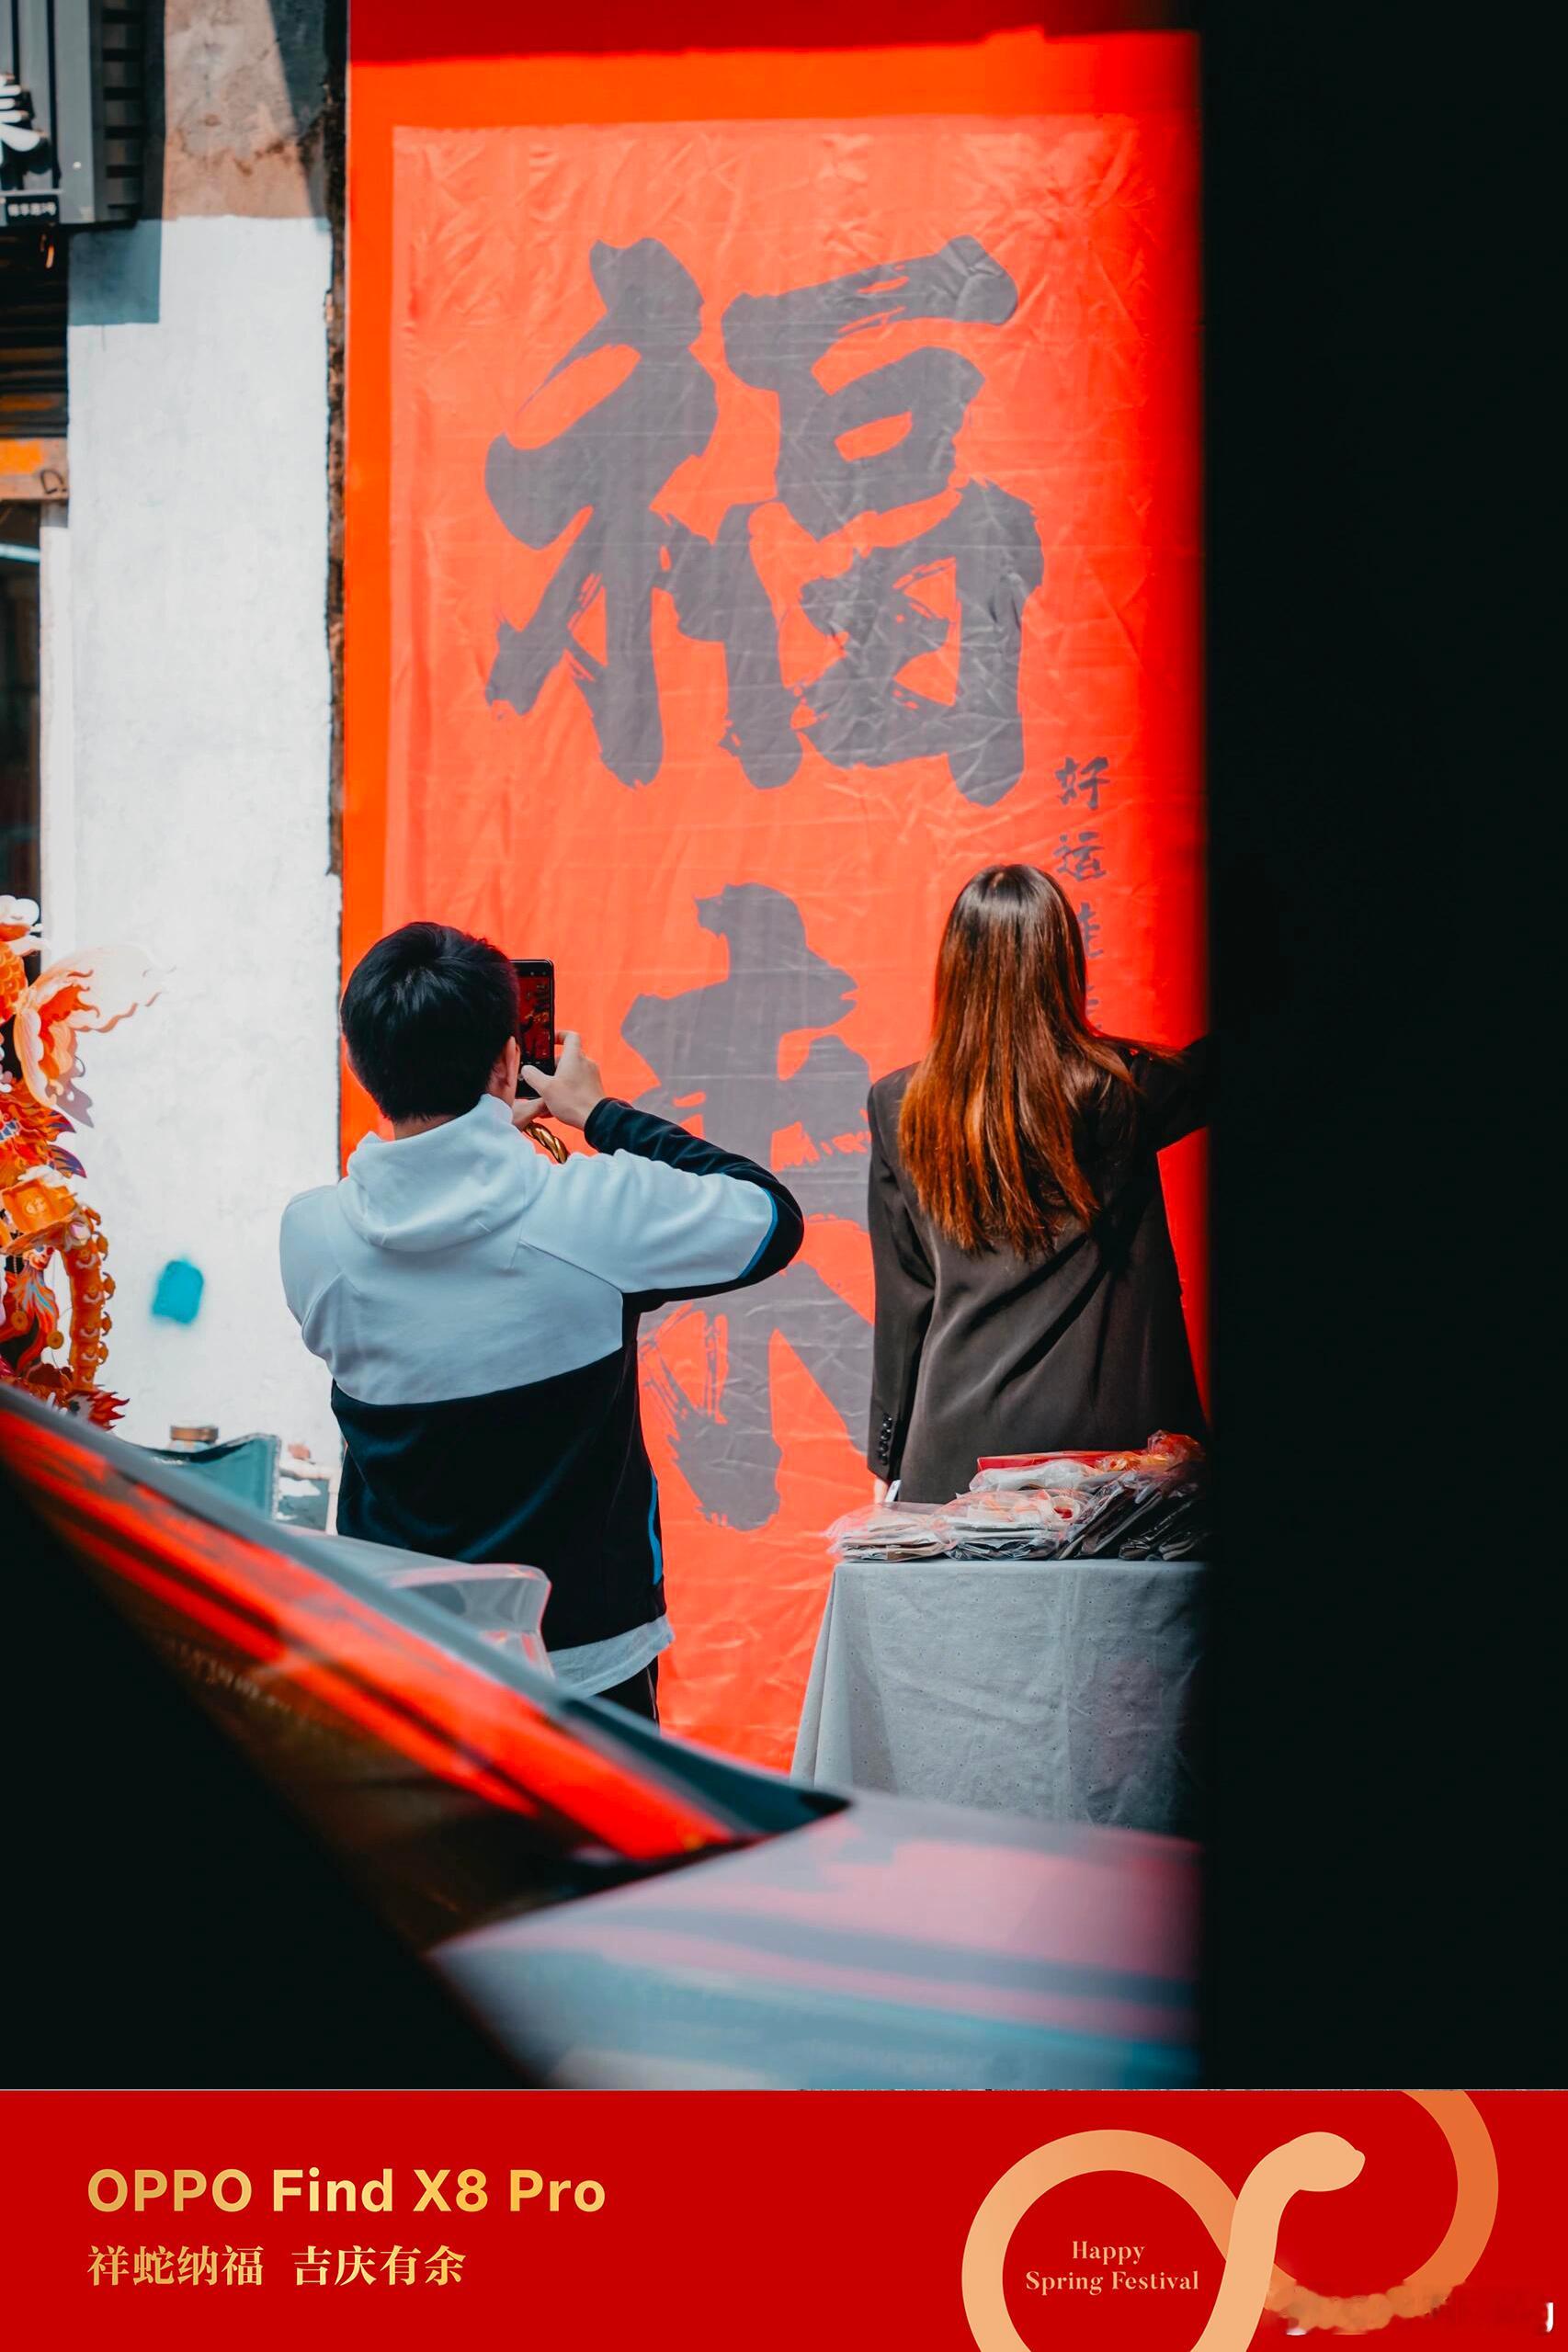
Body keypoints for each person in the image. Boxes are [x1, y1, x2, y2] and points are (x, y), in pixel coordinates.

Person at [280, 922, 803, 1721]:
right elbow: (770, 1215)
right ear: (507, 1060)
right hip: (586, 1666)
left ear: (358, 1061)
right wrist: (595, 1111)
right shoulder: (590, 1214)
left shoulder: (312, 1238)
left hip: (401, 1659)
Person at [866, 864, 1209, 1506]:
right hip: (1108, 1463)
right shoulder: (1117, 1093)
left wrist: (888, 1459)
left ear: (955, 969)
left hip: (952, 1457)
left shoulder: (898, 1105)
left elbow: (905, 1298)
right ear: (1063, 964)